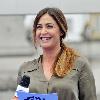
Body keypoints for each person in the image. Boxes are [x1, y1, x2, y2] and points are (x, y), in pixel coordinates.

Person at [12, 7, 97, 100]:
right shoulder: (25, 69)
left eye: (49, 26)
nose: (43, 31)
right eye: (39, 27)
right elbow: (19, 98)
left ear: (61, 30)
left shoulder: (80, 65)